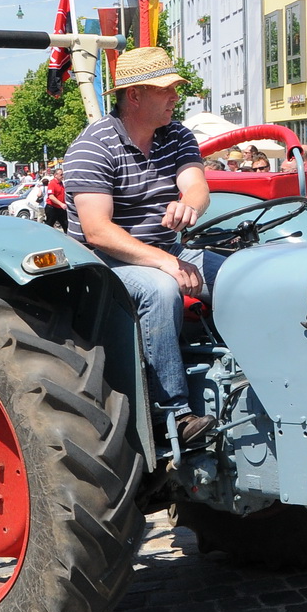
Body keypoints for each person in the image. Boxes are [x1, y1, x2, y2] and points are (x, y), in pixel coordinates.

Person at [63, 46, 218, 445]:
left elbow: (196, 186)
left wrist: (189, 205)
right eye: (166, 89)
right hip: (103, 262)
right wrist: (164, 262)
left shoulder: (177, 135)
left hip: (166, 249)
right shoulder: (93, 147)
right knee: (159, 289)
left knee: (241, 276)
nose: (175, 97)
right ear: (134, 95)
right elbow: (97, 232)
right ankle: (173, 415)